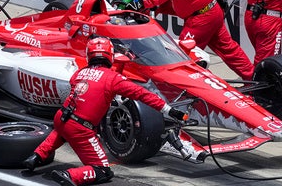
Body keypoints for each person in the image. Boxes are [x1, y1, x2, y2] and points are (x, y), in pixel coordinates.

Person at [22, 37, 187, 186]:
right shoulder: (113, 79)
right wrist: (168, 110)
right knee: (103, 171)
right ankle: (71, 175)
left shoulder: (79, 73)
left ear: (89, 55)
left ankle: (35, 157)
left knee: (63, 129)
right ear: (110, 55)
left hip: (62, 117)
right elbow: (142, 94)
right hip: (81, 128)